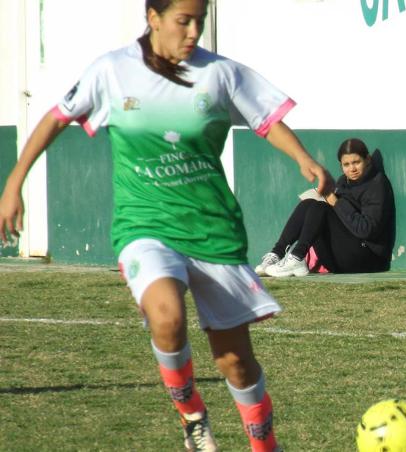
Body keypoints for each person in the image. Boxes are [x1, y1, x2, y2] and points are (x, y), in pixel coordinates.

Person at [0, 1, 333, 450]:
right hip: (144, 224)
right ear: (153, 17)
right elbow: (55, 119)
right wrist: (15, 181)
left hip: (212, 229)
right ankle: (191, 412)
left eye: (201, 20)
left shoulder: (219, 73)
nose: (194, 31)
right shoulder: (113, 71)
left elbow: (265, 119)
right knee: (166, 316)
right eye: (183, 20)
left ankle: (263, 443)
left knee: (235, 362)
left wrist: (303, 157)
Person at [256, 138, 395, 277]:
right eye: (346, 164)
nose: (352, 169)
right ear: (341, 166)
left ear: (368, 160)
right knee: (309, 203)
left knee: (320, 208)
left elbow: (366, 230)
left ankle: (297, 257)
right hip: (339, 257)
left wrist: (336, 203)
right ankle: (277, 253)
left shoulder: (378, 184)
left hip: (369, 260)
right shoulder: (343, 182)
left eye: (356, 162)